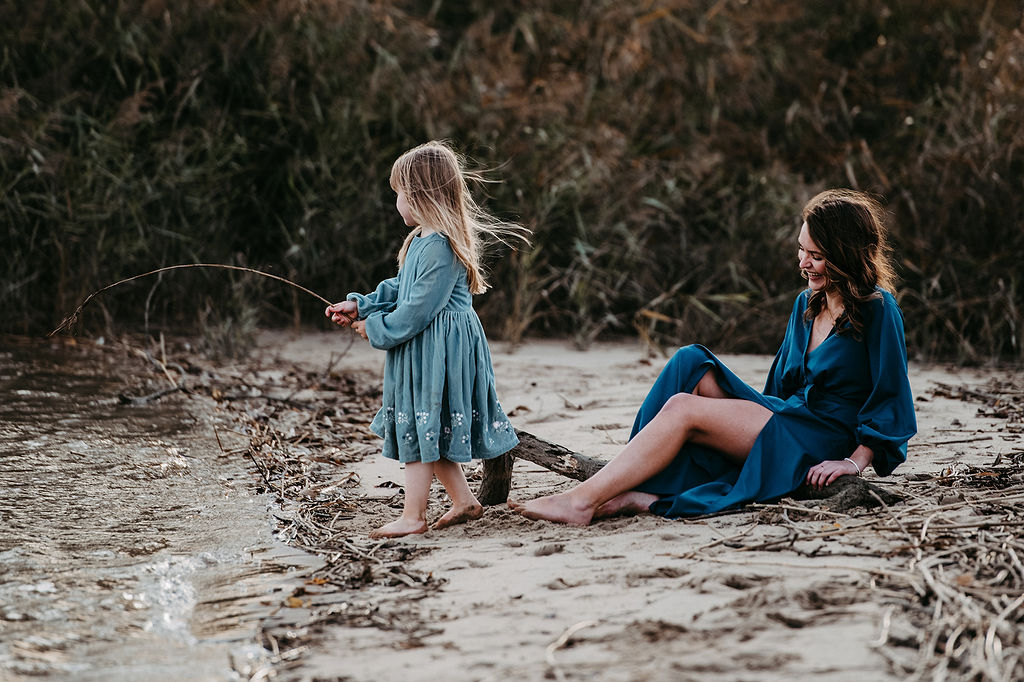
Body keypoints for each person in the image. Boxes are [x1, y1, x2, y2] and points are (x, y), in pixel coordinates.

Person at [510, 189, 917, 524]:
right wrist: (740, 423)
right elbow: (779, 386)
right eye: (801, 250)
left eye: (817, 255)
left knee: (684, 408)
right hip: (789, 417)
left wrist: (854, 462)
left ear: (845, 254)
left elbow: (891, 397)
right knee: (690, 361)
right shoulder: (806, 304)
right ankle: (633, 476)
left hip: (824, 437)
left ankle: (582, 501)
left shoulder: (877, 309)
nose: (803, 262)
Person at [326, 141, 528, 538]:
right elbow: (402, 287)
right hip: (423, 348)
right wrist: (360, 305)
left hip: (439, 350)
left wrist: (377, 329)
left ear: (419, 194)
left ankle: (413, 516)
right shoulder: (422, 238)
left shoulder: (439, 246)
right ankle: (464, 501)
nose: (396, 202)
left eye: (398, 194)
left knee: (422, 427)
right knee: (424, 426)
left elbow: (417, 309)